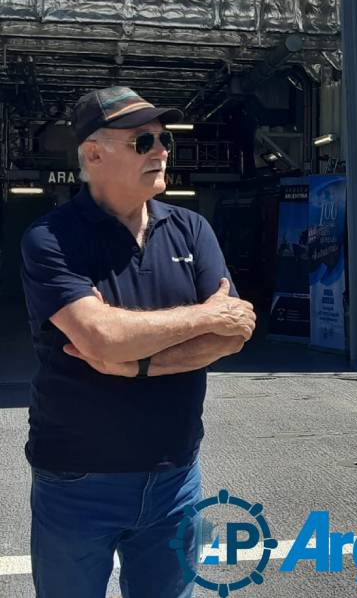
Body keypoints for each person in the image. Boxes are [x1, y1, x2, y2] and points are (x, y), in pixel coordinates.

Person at [20, 86, 257, 598]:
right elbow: (101, 336)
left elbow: (233, 334)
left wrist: (136, 365)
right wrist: (202, 317)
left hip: (175, 475)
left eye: (164, 139)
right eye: (143, 140)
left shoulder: (191, 228)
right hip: (77, 479)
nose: (161, 151)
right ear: (93, 154)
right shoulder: (51, 238)